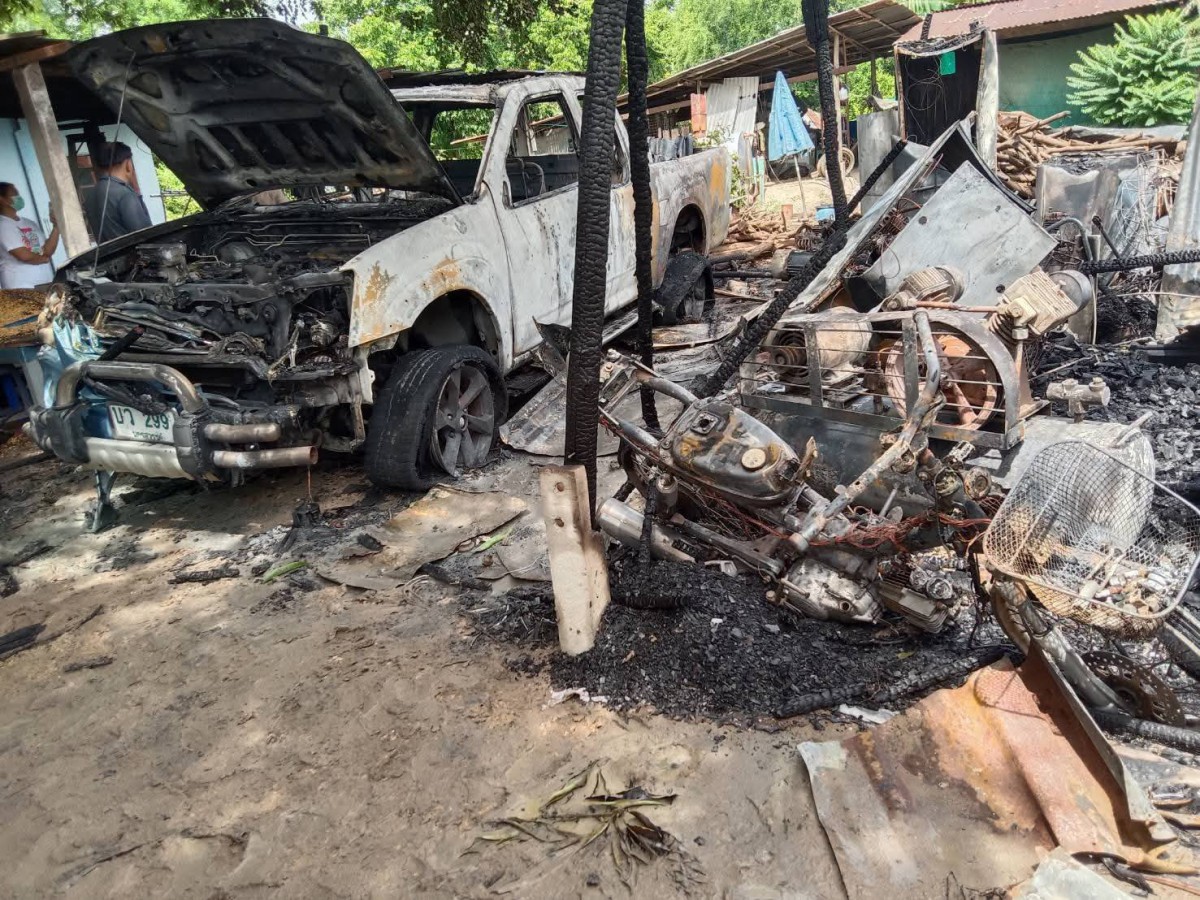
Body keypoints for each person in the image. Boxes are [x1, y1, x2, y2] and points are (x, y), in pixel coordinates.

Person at [84, 141, 152, 242]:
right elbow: (145, 235)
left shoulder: (90, 195)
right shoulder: (125, 194)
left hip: (107, 252)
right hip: (133, 251)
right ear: (128, 164)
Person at [0, 182, 59, 290]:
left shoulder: (29, 223)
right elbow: (25, 256)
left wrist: (56, 226)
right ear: (2, 199)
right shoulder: (3, 226)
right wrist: (44, 259)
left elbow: (46, 251)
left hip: (43, 283)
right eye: (15, 194)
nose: (19, 197)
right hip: (20, 288)